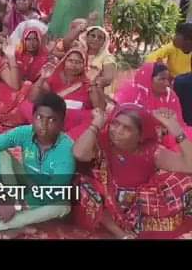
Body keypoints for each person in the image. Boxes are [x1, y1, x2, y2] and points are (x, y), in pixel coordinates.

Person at [0, 93, 75, 236]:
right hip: (25, 185)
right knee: (1, 153)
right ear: (33, 118)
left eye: (52, 120)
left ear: (62, 123)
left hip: (48, 196)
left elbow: (54, 190)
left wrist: (17, 206)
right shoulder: (26, 132)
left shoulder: (66, 148)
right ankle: (12, 217)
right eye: (39, 117)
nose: (44, 125)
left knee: (62, 206)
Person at [74, 101, 192, 239]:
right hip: (104, 204)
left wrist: (175, 129)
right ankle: (121, 234)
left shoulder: (151, 151)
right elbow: (79, 154)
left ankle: (134, 231)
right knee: (82, 185)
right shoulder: (103, 141)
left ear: (140, 136)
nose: (117, 131)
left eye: (127, 128)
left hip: (136, 209)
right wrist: (96, 124)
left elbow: (189, 166)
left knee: (186, 182)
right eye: (115, 123)